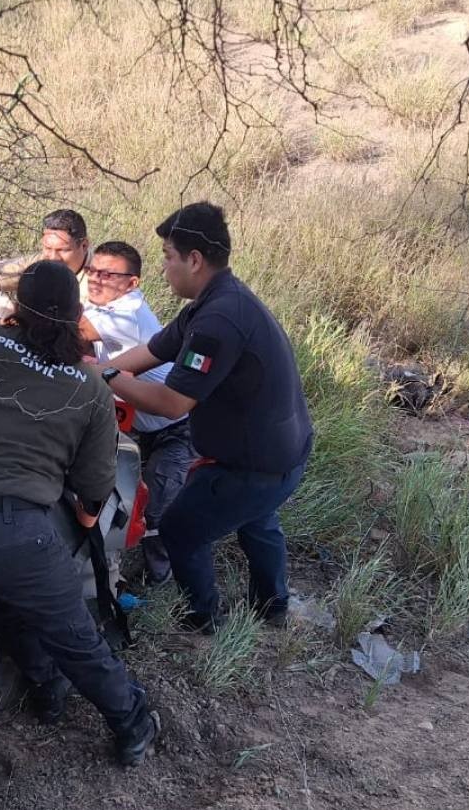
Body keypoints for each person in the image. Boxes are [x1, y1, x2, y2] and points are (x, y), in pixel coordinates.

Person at [0, 260, 158, 766]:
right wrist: (84, 520)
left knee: (6, 611)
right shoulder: (88, 388)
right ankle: (133, 723)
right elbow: (94, 487)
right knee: (74, 636)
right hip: (10, 534)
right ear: (75, 314)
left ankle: (47, 694)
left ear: (18, 306)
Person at [100, 203, 313, 633]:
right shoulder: (217, 299)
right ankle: (274, 606)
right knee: (258, 520)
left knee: (181, 530)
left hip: (256, 466)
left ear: (194, 259)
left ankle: (202, 619)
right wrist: (109, 373)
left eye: (167, 257)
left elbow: (172, 403)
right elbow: (155, 349)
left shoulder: (219, 320)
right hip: (283, 451)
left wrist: (105, 375)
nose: (164, 268)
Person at [82, 240, 195, 586]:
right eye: (92, 271)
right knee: (127, 498)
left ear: (132, 284)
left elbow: (66, 330)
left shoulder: (129, 316)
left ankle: (161, 577)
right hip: (138, 426)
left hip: (178, 429)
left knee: (159, 507)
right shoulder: (101, 304)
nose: (96, 280)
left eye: (108, 274)